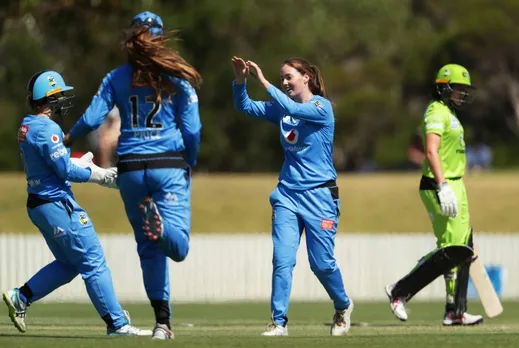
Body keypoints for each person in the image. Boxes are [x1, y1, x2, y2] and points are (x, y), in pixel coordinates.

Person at [63, 11, 202, 340]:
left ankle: (162, 324)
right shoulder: (177, 78)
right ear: (161, 38)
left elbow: (94, 116)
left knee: (148, 249)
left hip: (129, 169)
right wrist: (190, 159)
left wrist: (68, 137)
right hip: (168, 164)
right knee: (177, 248)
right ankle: (163, 227)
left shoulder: (116, 77)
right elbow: (193, 128)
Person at [3, 70, 151, 336]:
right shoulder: (47, 128)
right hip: (57, 204)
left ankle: (21, 297)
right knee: (93, 261)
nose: (63, 100)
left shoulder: (28, 124)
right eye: (59, 96)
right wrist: (101, 175)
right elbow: (64, 171)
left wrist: (79, 163)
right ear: (49, 98)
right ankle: (117, 324)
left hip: (39, 204)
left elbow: (54, 163)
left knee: (70, 264)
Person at [231, 56, 354, 336]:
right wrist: (240, 80)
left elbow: (290, 106)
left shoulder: (321, 108)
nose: (285, 82)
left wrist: (263, 81)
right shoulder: (283, 109)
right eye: (282, 78)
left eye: (289, 77)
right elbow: (244, 106)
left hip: (320, 196)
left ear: (306, 77)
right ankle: (279, 322)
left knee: (321, 264)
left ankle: (343, 306)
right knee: (282, 259)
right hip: (287, 195)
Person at [385, 64, 483, 326]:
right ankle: (399, 291)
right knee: (452, 249)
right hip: (441, 185)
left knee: (464, 248)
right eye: (458, 88)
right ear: (444, 87)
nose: (462, 93)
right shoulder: (435, 111)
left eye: (464, 89)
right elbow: (430, 151)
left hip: (455, 184)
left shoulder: (450, 113)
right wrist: (442, 185)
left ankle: (455, 311)